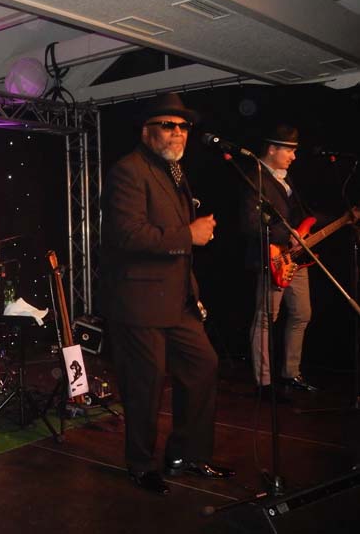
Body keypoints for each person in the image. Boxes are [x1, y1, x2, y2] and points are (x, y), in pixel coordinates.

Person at [101, 92, 234, 496]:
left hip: (177, 299)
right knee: (145, 384)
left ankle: (187, 454)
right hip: (139, 301)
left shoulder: (173, 171)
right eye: (168, 125)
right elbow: (127, 235)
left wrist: (192, 290)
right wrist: (188, 235)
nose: (178, 132)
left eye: (183, 126)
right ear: (147, 131)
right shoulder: (128, 170)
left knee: (203, 365)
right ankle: (141, 465)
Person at [243, 125, 318, 400]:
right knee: (266, 318)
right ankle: (263, 382)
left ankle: (290, 373)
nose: (294, 157)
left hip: (294, 259)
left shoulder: (286, 180)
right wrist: (288, 236)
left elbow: (298, 215)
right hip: (272, 257)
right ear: (272, 149)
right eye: (290, 150)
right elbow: (251, 223)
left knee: (302, 313)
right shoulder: (255, 179)